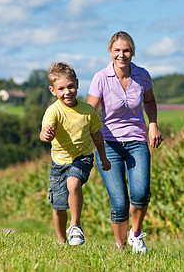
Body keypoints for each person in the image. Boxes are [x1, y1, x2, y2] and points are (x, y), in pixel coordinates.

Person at [87, 31, 163, 253]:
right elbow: (91, 111)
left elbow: (149, 101)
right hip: (108, 145)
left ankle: (136, 235)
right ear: (110, 52)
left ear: (132, 52)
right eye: (117, 50)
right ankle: (121, 248)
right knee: (119, 203)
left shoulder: (142, 76)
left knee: (140, 193)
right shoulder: (100, 78)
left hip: (136, 141)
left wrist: (153, 124)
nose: (122, 55)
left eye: (126, 50)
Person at [40, 62, 111, 246]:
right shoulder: (53, 111)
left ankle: (75, 225)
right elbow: (44, 131)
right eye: (61, 88)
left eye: (70, 86)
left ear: (77, 84)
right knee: (58, 207)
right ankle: (62, 241)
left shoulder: (87, 111)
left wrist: (103, 157)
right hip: (59, 163)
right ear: (52, 90)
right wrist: (46, 134)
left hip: (83, 157)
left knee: (73, 183)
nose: (67, 92)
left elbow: (97, 135)